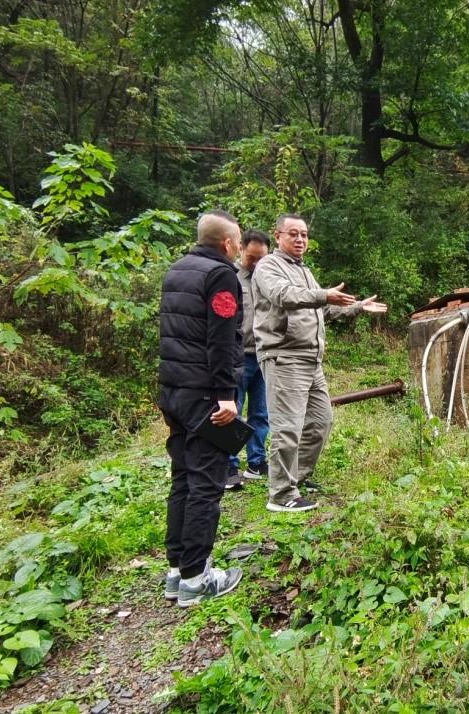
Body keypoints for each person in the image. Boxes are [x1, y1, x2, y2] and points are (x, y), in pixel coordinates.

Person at [250, 213, 387, 512]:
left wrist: (357, 307)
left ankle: (296, 478)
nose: (300, 239)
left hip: (311, 360)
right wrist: (324, 295)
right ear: (278, 236)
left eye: (304, 234)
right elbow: (283, 295)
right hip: (285, 357)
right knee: (288, 427)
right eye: (293, 234)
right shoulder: (268, 266)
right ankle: (281, 495)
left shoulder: (304, 270)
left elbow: (320, 310)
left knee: (320, 421)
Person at [157, 210, 244, 606]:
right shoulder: (221, 275)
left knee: (183, 478)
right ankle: (197, 578)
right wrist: (226, 394)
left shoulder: (177, 270)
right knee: (207, 483)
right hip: (206, 396)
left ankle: (177, 570)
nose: (238, 248)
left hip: (174, 391)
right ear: (226, 243)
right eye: (237, 241)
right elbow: (221, 338)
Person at [225, 228, 271, 491]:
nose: (255, 263)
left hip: (264, 355)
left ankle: (257, 461)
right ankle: (229, 466)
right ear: (240, 249)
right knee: (233, 411)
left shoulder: (269, 280)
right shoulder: (229, 278)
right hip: (238, 357)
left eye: (261, 259)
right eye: (251, 257)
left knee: (261, 413)